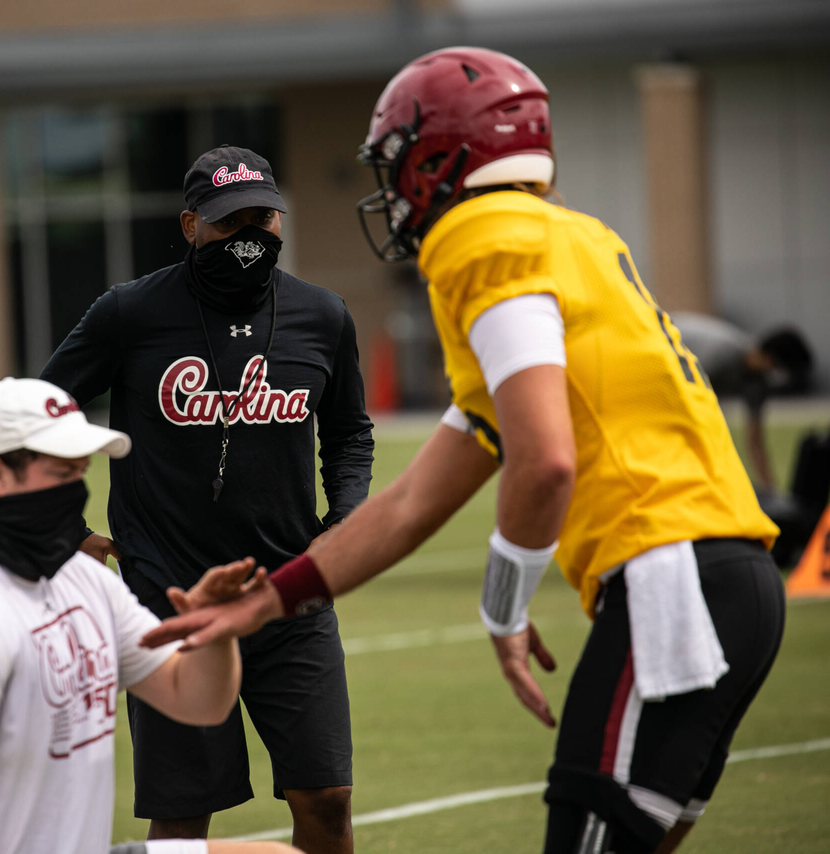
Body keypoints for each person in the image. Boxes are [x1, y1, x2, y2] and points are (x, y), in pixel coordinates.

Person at [144, 47, 786, 854]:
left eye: (400, 161)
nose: (394, 186)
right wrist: (269, 601)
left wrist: (510, 599)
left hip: (671, 578)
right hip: (740, 582)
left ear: (442, 153)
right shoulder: (575, 235)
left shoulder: (480, 235)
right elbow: (413, 503)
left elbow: (546, 458)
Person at [41, 145, 374, 851]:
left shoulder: (323, 316)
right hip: (171, 603)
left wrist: (343, 523)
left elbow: (348, 435)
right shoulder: (131, 313)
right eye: (231, 223)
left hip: (291, 597)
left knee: (328, 797)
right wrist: (62, 521)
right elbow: (42, 410)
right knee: (184, 817)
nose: (251, 237)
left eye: (264, 219)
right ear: (192, 225)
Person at [0, 377, 297, 854]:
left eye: (80, 474)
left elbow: (197, 702)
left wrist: (216, 630)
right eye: (61, 474)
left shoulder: (85, 581)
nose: (75, 492)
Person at [672, 312, 814, 493]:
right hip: (658, 347)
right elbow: (682, 403)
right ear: (770, 358)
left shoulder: (758, 382)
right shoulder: (720, 356)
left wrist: (772, 494)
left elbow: (755, 441)